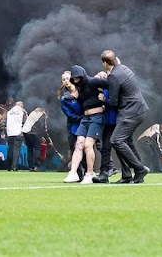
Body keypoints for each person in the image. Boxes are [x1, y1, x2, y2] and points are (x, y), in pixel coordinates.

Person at [101, 50, 150, 184]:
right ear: (116, 59)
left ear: (105, 63)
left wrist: (103, 98)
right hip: (139, 110)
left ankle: (139, 169)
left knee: (116, 140)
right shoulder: (124, 69)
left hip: (130, 113)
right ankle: (127, 176)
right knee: (124, 142)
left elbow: (113, 101)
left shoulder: (113, 76)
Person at [63, 65, 108, 184]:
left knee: (88, 145)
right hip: (85, 118)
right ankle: (73, 173)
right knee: (79, 144)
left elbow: (111, 83)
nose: (77, 80)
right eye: (75, 78)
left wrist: (105, 97)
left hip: (97, 117)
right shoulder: (79, 88)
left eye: (78, 77)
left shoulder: (94, 81)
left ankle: (89, 173)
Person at [58, 71, 84, 180]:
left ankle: (89, 172)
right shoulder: (64, 98)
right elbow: (69, 114)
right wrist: (82, 117)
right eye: (64, 80)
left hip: (87, 122)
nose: (66, 81)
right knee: (74, 149)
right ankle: (77, 174)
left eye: (67, 78)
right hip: (74, 125)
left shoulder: (82, 90)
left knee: (87, 148)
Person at [21, 106, 48, 171]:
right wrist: (44, 136)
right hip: (34, 133)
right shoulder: (42, 114)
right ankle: (37, 165)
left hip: (25, 132)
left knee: (30, 149)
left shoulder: (32, 113)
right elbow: (43, 126)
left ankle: (31, 166)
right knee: (37, 148)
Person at [5, 100, 26, 171]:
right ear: (21, 105)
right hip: (18, 132)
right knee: (16, 150)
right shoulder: (22, 111)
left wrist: (3, 130)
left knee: (10, 149)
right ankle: (14, 166)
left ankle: (8, 166)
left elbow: (3, 122)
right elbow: (25, 122)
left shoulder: (9, 112)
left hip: (10, 133)